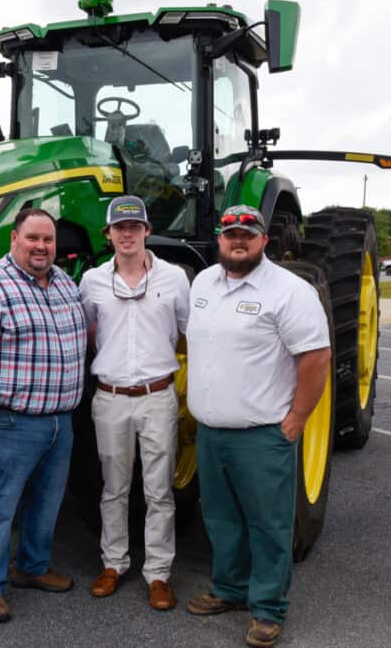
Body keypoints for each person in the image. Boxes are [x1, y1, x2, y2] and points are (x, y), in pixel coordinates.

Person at [184, 205, 331, 648]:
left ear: (264, 240)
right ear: (220, 240)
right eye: (231, 234)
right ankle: (229, 590)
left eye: (248, 233)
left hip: (262, 435)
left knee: (268, 525)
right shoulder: (203, 283)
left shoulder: (289, 291)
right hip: (210, 433)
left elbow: (316, 357)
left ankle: (268, 608)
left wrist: (297, 419)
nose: (239, 240)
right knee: (222, 519)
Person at [0, 207, 88, 624]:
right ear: (14, 239)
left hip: (60, 420)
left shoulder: (63, 281)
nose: (41, 247)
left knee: (47, 502)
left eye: (48, 240)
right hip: (11, 420)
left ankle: (31, 567)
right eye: (33, 239)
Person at [79, 195, 190, 611]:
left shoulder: (175, 278)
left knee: (159, 490)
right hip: (110, 397)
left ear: (146, 231)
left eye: (135, 227)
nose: (127, 234)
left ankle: (159, 573)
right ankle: (114, 563)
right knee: (113, 488)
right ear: (108, 235)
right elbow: (84, 329)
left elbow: (189, 332)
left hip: (157, 396)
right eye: (119, 228)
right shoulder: (91, 281)